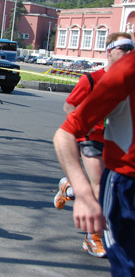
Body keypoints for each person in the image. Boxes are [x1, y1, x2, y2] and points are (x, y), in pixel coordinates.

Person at [53, 50, 135, 277]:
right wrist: (84, 195)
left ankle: (69, 189)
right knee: (96, 189)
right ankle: (92, 236)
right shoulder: (124, 72)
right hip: (124, 181)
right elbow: (66, 128)